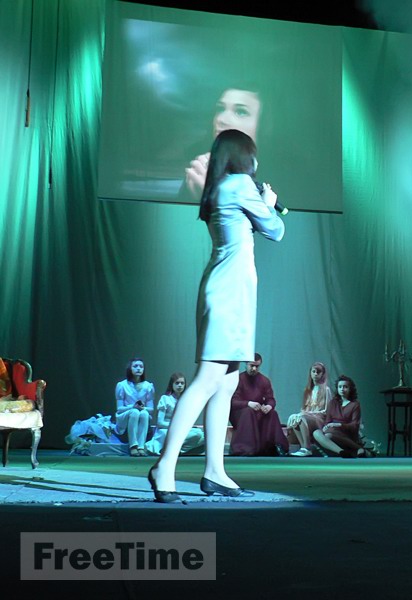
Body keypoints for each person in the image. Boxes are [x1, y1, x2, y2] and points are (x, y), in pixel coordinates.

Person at [148, 128, 285, 503]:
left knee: (226, 383)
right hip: (229, 293)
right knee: (208, 379)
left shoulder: (218, 188)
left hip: (230, 290)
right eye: (253, 154)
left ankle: (214, 471)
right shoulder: (240, 185)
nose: (256, 162)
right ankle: (165, 466)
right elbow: (275, 230)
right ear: (243, 156)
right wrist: (269, 203)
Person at [181, 86, 263, 202]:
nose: (221, 119)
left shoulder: (279, 176)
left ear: (265, 124)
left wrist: (213, 199)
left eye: (241, 112)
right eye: (220, 109)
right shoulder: (200, 167)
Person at [229, 353, 289, 456]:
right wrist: (248, 403)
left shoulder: (264, 381)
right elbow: (233, 402)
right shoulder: (238, 379)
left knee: (272, 413)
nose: (254, 369)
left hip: (257, 412)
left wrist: (269, 406)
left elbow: (271, 399)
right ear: (246, 364)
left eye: (257, 366)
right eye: (251, 365)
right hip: (240, 413)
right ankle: (245, 448)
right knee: (248, 412)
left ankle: (276, 446)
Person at [145, 373, 205, 456]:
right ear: (172, 384)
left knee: (200, 434)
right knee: (167, 435)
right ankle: (172, 449)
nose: (179, 385)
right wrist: (175, 426)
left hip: (180, 429)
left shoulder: (186, 400)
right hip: (166, 429)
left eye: (182, 383)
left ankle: (178, 450)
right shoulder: (165, 399)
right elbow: (160, 423)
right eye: (177, 383)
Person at [313, 375, 365, 458]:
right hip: (332, 430)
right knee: (316, 432)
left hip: (346, 433)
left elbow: (354, 425)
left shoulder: (355, 404)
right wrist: (325, 427)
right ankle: (342, 452)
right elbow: (328, 421)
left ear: (350, 389)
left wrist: (339, 425)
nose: (342, 389)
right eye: (340, 387)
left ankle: (356, 448)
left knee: (328, 435)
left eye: (345, 387)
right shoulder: (332, 403)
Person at [287, 362, 331, 457]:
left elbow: (327, 411)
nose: (315, 374)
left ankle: (307, 447)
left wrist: (308, 414)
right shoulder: (307, 390)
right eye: (313, 371)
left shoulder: (326, 390)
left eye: (318, 372)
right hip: (308, 417)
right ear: (310, 373)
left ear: (322, 374)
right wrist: (301, 414)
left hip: (320, 419)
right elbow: (304, 408)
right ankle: (303, 447)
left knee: (302, 418)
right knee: (295, 418)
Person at [114, 358, 155, 457]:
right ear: (130, 368)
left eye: (141, 366)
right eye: (135, 366)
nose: (138, 368)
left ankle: (141, 447)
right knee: (134, 412)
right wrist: (132, 407)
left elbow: (151, 409)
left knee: (144, 413)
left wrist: (143, 408)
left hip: (142, 413)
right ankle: (133, 446)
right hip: (125, 415)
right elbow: (119, 408)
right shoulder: (122, 385)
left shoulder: (148, 386)